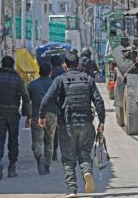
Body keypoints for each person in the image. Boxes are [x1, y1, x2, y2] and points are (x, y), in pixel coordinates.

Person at [39, 51, 105, 198]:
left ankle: (71, 190)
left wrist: (41, 116)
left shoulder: (60, 80)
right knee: (84, 153)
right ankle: (86, 171)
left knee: (68, 158)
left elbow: (47, 98)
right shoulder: (88, 79)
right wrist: (102, 121)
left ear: (65, 65)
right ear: (79, 64)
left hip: (68, 124)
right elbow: (99, 101)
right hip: (86, 123)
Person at [0, 56, 32, 180]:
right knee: (13, 140)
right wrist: (29, 115)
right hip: (13, 113)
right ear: (12, 65)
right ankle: (12, 167)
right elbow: (25, 98)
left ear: (2, 65)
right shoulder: (18, 80)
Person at [27, 63, 57, 175]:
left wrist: (28, 116)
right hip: (52, 115)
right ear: (50, 72)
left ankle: (39, 157)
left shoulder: (32, 85)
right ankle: (47, 165)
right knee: (49, 141)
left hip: (37, 115)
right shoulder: (55, 84)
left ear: (39, 71)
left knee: (37, 141)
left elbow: (27, 101)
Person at [50, 55, 66, 161]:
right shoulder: (65, 73)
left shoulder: (51, 74)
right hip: (65, 104)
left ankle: (54, 151)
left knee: (54, 130)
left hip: (54, 104)